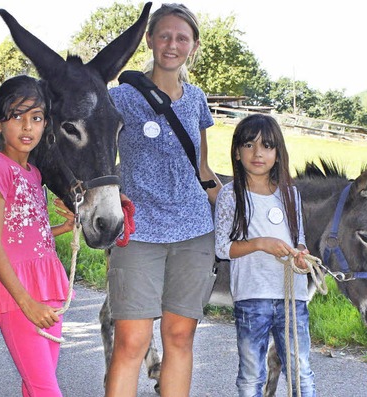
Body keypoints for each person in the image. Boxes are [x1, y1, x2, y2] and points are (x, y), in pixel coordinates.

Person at [104, 3, 222, 397]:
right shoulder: (119, 98)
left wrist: (240, 212)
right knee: (132, 343)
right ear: (151, 39)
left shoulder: (197, 100)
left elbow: (203, 170)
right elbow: (94, 155)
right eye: (165, 35)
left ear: (194, 46)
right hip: (138, 232)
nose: (173, 44)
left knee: (179, 337)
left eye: (182, 38)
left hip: (194, 233)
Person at [0, 75, 75, 397]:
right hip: (18, 293)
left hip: (48, 285)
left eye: (36, 118)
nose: (27, 127)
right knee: (47, 389)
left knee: (36, 386)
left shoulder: (34, 174)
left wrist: (64, 227)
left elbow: (25, 233)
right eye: (16, 117)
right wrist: (26, 302)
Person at [214, 114, 316, 397]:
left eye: (267, 145)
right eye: (249, 145)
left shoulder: (290, 195)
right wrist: (260, 243)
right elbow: (223, 248)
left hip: (292, 298)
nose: (258, 153)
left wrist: (301, 257)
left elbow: (301, 242)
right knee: (251, 375)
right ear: (237, 151)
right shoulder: (230, 195)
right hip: (252, 297)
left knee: (300, 371)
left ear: (277, 152)